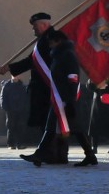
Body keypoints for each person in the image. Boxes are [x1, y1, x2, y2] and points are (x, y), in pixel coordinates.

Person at [0, 12, 59, 165]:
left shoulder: (51, 40)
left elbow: (30, 62)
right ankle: (49, 153)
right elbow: (31, 61)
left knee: (49, 123)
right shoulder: (43, 40)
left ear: (44, 25)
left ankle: (48, 153)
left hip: (48, 88)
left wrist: (9, 68)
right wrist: (9, 68)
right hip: (43, 90)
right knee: (46, 123)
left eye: (35, 27)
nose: (33, 30)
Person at [28, 29, 97, 167]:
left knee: (74, 129)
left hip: (66, 98)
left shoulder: (67, 55)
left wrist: (70, 100)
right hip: (59, 97)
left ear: (58, 41)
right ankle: (40, 154)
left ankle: (89, 155)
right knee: (53, 127)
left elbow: (73, 77)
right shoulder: (59, 55)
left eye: (51, 42)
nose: (50, 45)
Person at [87, 74, 109, 154]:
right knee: (95, 126)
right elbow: (89, 86)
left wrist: (106, 86)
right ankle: (94, 147)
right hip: (98, 102)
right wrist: (97, 85)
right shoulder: (95, 73)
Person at [0, 75, 28, 150]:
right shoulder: (7, 85)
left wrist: (24, 107)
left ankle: (20, 144)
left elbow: (25, 97)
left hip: (20, 109)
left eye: (17, 75)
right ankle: (10, 144)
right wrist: (5, 107)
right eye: (14, 75)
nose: (15, 76)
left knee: (20, 126)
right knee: (10, 127)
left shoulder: (22, 86)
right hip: (10, 109)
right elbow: (3, 97)